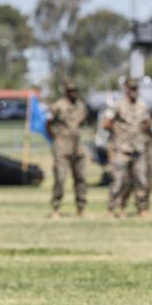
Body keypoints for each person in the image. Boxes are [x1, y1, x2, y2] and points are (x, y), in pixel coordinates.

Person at [103, 78, 151, 218]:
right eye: (131, 89)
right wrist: (118, 133)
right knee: (119, 180)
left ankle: (141, 208)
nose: (134, 91)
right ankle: (111, 209)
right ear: (126, 89)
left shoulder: (142, 105)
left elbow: (145, 123)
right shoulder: (117, 105)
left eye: (136, 88)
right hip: (121, 148)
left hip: (138, 148)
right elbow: (106, 124)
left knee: (141, 180)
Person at [46, 81, 88, 218]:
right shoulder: (58, 106)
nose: (73, 93)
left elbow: (81, 123)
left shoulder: (80, 106)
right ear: (66, 92)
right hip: (62, 147)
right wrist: (55, 138)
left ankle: (80, 208)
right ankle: (56, 208)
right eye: (71, 91)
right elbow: (48, 123)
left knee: (81, 178)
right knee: (60, 178)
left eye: (75, 90)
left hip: (78, 147)